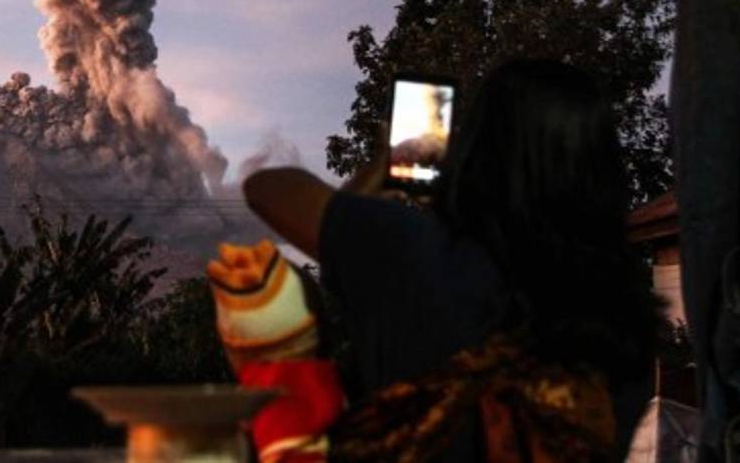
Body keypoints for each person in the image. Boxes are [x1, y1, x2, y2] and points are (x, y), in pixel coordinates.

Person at [239, 58, 661, 462]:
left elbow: (266, 188)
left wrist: (388, 164)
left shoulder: (411, 251)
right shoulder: (629, 326)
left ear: (480, 150)